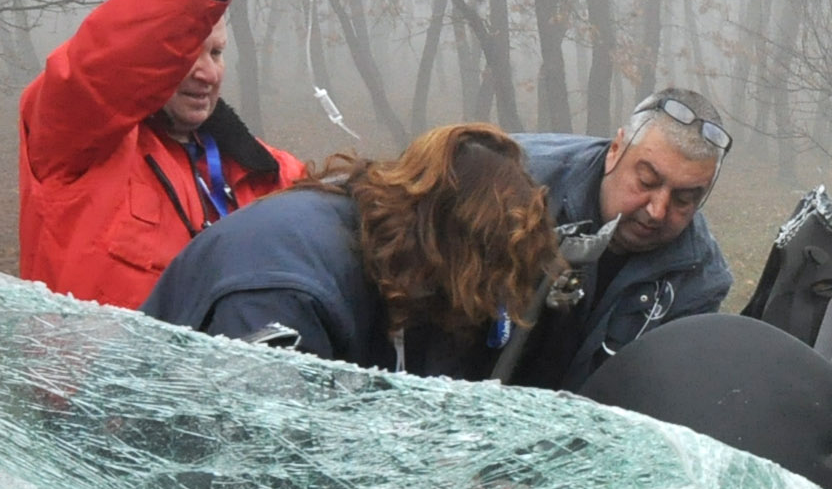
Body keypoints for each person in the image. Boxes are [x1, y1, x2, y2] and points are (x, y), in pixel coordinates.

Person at [19, 0, 313, 310]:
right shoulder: (77, 143)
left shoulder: (273, 177)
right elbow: (107, 63)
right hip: (96, 378)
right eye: (186, 55)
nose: (206, 74)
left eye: (216, 53)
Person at [139, 123, 556, 379]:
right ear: (461, 252)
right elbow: (255, 463)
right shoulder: (284, 287)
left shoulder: (394, 257)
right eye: (489, 279)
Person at [509, 90, 736, 389]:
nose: (657, 211)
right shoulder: (516, 182)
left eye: (684, 199)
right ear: (615, 149)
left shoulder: (701, 280)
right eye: (646, 181)